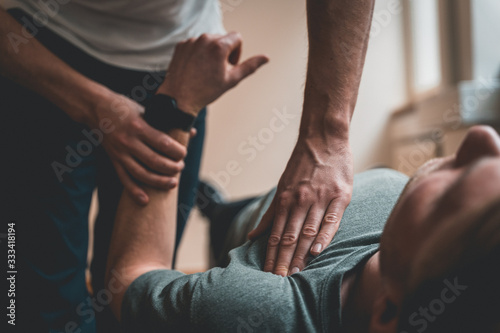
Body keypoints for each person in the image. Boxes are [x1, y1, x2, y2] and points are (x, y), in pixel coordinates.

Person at [1, 0, 374, 331]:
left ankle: (217, 209)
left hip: (176, 69)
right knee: (31, 294)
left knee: (122, 302)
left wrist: (327, 134)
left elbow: (137, 284)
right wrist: (101, 106)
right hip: (40, 53)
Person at [104, 35, 500, 332]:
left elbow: (131, 280)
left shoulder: (251, 308)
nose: (483, 137)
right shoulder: (422, 252)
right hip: (270, 203)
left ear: (389, 313)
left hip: (243, 233)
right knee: (231, 207)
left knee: (227, 224)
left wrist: (176, 105)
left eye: (451, 194)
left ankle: (217, 214)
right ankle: (216, 205)